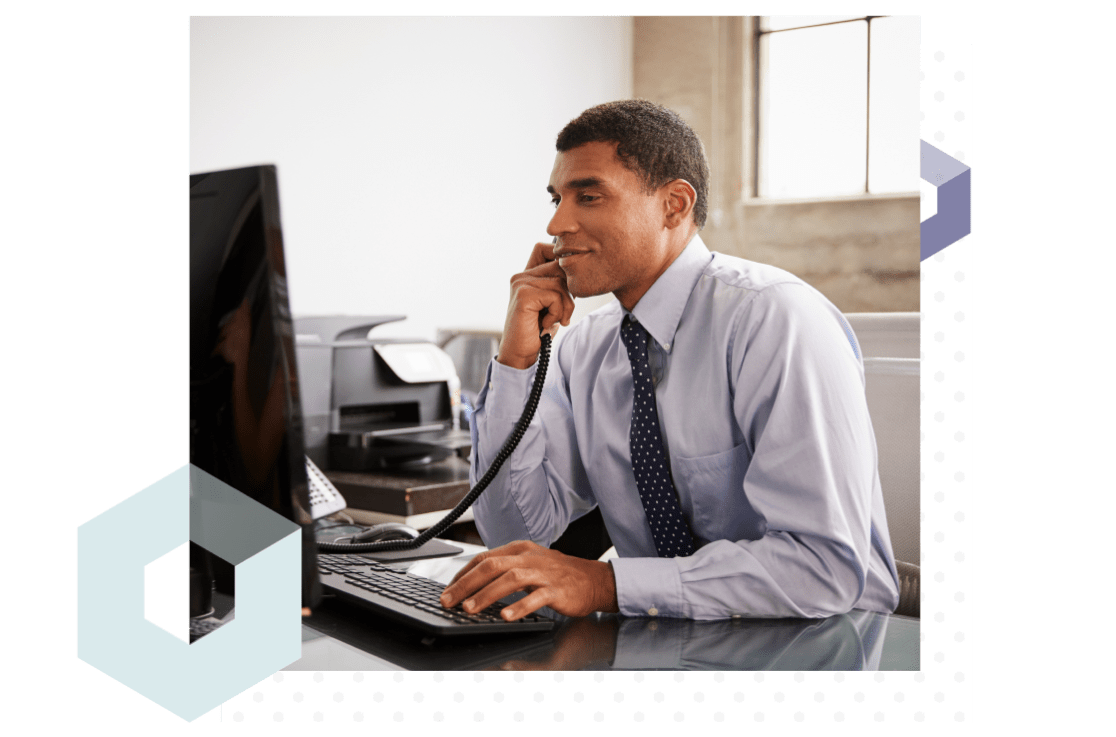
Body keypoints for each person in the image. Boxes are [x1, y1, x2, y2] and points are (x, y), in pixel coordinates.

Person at [439, 100, 900, 622]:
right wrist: (517, 360)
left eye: (588, 197)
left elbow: (822, 568)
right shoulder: (586, 350)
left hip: (827, 645)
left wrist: (607, 583)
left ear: (674, 205)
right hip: (678, 647)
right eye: (556, 199)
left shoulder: (773, 319)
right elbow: (515, 535)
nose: (557, 223)